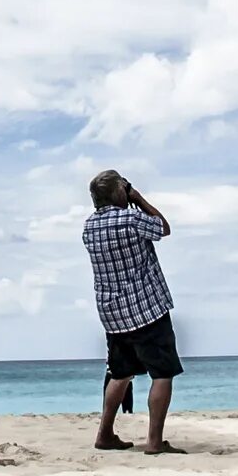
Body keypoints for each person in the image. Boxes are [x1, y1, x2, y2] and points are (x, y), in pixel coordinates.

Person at [83, 170, 184, 455]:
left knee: (120, 373)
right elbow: (163, 228)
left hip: (113, 313)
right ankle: (154, 441)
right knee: (162, 373)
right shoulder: (130, 218)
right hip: (146, 308)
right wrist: (138, 198)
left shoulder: (88, 227)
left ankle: (104, 433)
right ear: (119, 192)